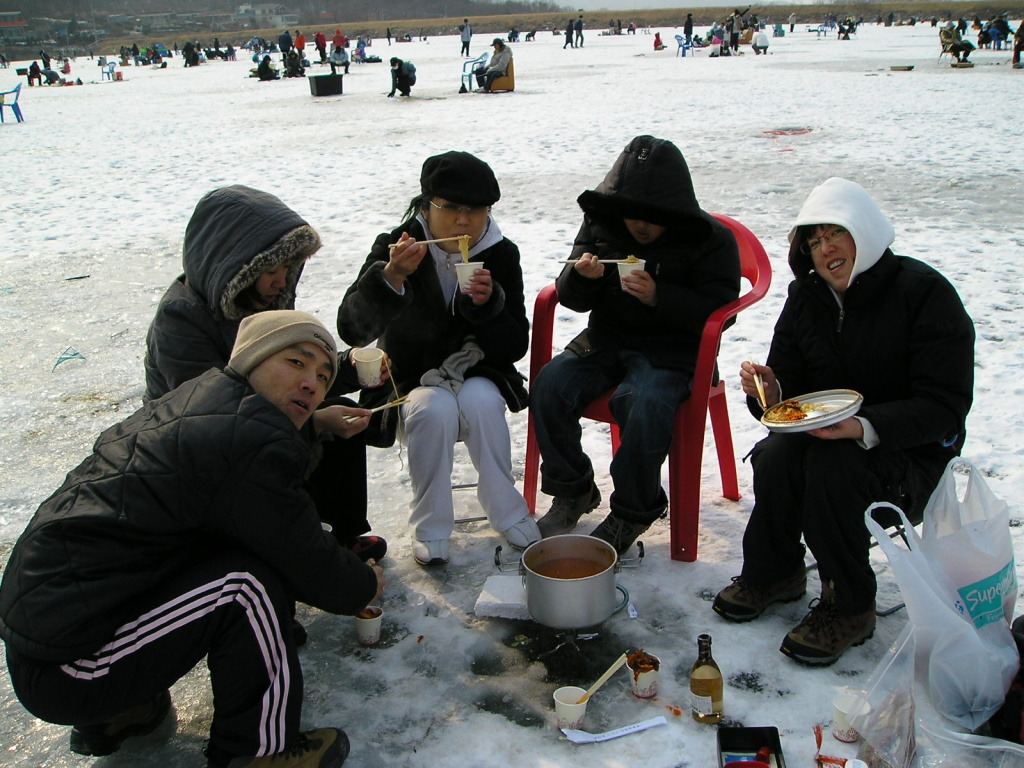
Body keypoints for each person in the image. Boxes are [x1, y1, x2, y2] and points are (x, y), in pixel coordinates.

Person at [0, 310, 384, 768]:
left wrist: (316, 423)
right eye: (296, 363)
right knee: (246, 586)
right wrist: (363, 584)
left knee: (224, 549)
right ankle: (260, 753)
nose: (312, 383)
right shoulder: (249, 441)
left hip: (56, 639)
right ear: (251, 360)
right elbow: (306, 559)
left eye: (324, 375)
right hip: (73, 667)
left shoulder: (206, 400)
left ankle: (122, 711)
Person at [712, 177, 975, 666]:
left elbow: (945, 406)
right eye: (813, 240)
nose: (825, 247)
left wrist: (863, 427)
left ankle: (850, 604)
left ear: (866, 232)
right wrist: (770, 390)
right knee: (776, 456)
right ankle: (776, 573)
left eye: (836, 232)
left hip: (912, 454)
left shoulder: (925, 294)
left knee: (836, 466)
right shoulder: (806, 298)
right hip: (825, 436)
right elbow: (789, 385)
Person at [143, 186, 384, 563]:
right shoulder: (181, 320)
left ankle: (341, 535)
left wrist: (349, 365)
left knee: (338, 412)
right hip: (194, 453)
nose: (281, 281)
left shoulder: (264, 299)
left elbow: (293, 373)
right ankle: (296, 553)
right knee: (316, 419)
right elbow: (215, 417)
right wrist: (315, 421)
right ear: (233, 266)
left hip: (250, 419)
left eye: (287, 268)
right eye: (270, 270)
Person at [530, 135, 741, 556]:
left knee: (642, 402)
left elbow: (724, 309)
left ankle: (633, 509)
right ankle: (574, 489)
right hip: (608, 338)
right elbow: (569, 296)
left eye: (653, 216)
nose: (640, 225)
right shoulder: (602, 222)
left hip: (674, 349)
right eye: (632, 214)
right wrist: (580, 280)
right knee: (550, 385)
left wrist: (660, 297)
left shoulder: (709, 237)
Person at [337, 151, 541, 566]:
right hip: (411, 376)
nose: (464, 221)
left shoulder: (500, 253)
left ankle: (505, 506)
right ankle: (430, 524)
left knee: (482, 403)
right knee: (433, 410)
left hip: (477, 367)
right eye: (452, 209)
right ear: (427, 206)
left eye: (477, 210)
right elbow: (352, 329)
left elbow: (515, 344)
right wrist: (391, 278)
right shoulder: (396, 246)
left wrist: (488, 306)